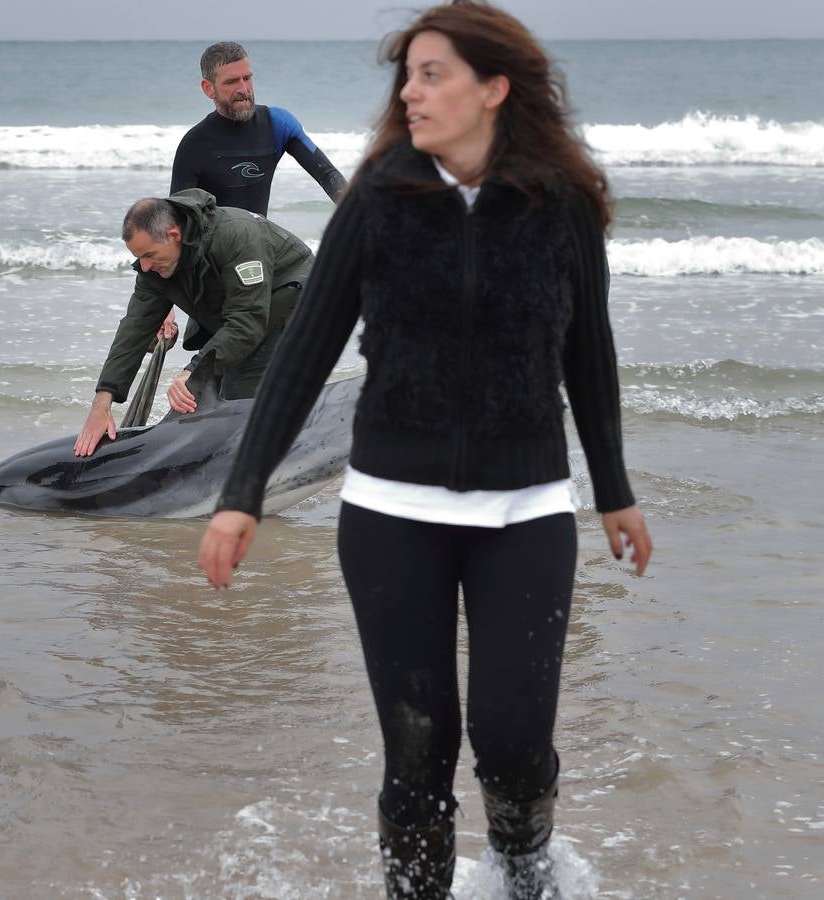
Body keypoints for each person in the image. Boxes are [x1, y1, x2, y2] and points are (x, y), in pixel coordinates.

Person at [197, 3, 653, 897]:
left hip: (524, 510)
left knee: (516, 746)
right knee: (418, 751)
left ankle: (526, 876)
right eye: (405, 75)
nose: (410, 91)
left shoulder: (559, 205)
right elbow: (304, 353)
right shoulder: (379, 201)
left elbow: (589, 355)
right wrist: (241, 492)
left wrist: (615, 490)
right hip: (391, 513)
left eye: (432, 73)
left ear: (495, 88)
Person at [74, 189, 312, 458]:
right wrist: (101, 403)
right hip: (237, 310)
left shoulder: (237, 235)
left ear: (174, 235)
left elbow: (248, 322)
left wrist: (193, 370)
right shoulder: (156, 265)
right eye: (139, 257)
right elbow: (134, 330)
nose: (145, 266)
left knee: (234, 398)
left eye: (149, 255)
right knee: (203, 402)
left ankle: (271, 463)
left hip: (297, 300)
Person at [164, 41, 347, 346]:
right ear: (208, 88)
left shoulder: (277, 124)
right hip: (215, 273)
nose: (244, 88)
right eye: (232, 81)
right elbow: (176, 228)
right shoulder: (195, 145)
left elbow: (328, 176)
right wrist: (165, 306)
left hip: (258, 257)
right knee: (228, 353)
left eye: (247, 78)